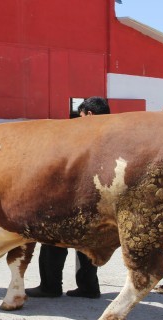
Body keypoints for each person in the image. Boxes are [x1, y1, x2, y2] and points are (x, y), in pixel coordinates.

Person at [26, 96, 111, 299]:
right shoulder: (114, 133)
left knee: (52, 239)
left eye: (81, 116)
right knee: (87, 240)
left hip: (73, 195)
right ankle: (88, 287)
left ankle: (50, 286)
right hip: (98, 197)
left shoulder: (82, 134)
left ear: (89, 115)